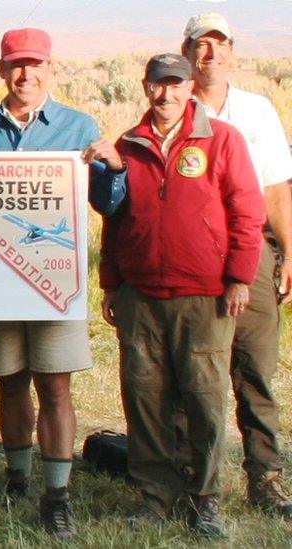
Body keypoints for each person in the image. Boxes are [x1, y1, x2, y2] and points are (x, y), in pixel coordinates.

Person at [0, 28, 126, 539]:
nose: (25, 75)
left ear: (50, 68)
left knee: (54, 385)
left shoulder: (79, 128)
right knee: (9, 381)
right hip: (2, 281)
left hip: (56, 282)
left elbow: (110, 205)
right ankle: (17, 478)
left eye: (34, 65)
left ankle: (57, 495)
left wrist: (115, 170)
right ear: (1, 69)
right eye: (15, 65)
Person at [100, 53, 264, 538]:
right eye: (158, 84)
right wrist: (111, 281)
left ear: (190, 86)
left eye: (176, 84)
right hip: (141, 294)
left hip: (205, 295)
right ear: (145, 86)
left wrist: (239, 277)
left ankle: (206, 497)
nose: (166, 94)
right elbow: (115, 219)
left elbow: (247, 214)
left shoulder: (222, 140)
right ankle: (155, 495)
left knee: (205, 398)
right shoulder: (128, 144)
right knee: (145, 398)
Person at [179, 12, 292, 517]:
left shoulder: (259, 109)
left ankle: (266, 479)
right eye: (202, 46)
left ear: (233, 53)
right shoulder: (173, 106)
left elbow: (275, 190)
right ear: (186, 54)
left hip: (253, 250)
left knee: (255, 370)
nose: (211, 55)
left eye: (220, 45)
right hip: (192, 257)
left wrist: (288, 251)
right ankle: (191, 479)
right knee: (192, 371)